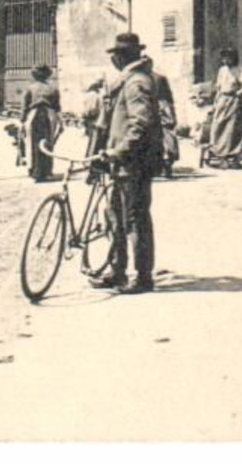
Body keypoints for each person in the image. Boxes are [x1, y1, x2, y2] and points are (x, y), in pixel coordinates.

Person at [92, 32, 162, 294]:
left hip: (134, 163)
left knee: (135, 219)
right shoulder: (129, 80)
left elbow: (140, 124)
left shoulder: (137, 83)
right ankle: (118, 271)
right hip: (123, 163)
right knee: (116, 216)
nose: (113, 59)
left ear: (123, 57)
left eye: (116, 54)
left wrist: (120, 151)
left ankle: (143, 277)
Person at [207, 48, 242, 169]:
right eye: (224, 58)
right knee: (218, 127)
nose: (226, 60)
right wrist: (215, 104)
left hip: (234, 102)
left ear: (234, 58)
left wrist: (239, 93)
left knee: (233, 130)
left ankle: (235, 157)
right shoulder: (222, 70)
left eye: (228, 57)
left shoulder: (240, 70)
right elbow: (219, 88)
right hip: (222, 101)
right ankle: (221, 156)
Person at [21, 65, 61, 182]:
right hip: (49, 116)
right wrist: (60, 122)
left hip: (34, 116)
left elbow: (24, 107)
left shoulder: (30, 88)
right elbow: (57, 107)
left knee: (33, 142)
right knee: (47, 142)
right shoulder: (53, 89)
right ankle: (47, 171)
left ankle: (35, 171)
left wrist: (22, 120)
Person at [155, 70, 179, 179]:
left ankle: (166, 165)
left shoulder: (164, 104)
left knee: (167, 144)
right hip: (158, 126)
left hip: (163, 125)